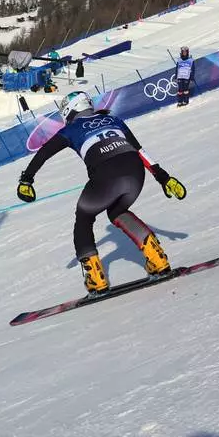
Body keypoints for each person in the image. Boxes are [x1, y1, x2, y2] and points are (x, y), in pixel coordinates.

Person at [16, 91, 187, 296]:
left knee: (84, 217)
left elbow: (43, 153)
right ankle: (157, 258)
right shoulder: (112, 119)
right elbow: (139, 150)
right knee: (117, 211)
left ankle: (96, 279)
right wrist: (163, 178)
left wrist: (27, 179)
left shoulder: (71, 129)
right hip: (135, 174)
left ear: (69, 110)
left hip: (107, 175)